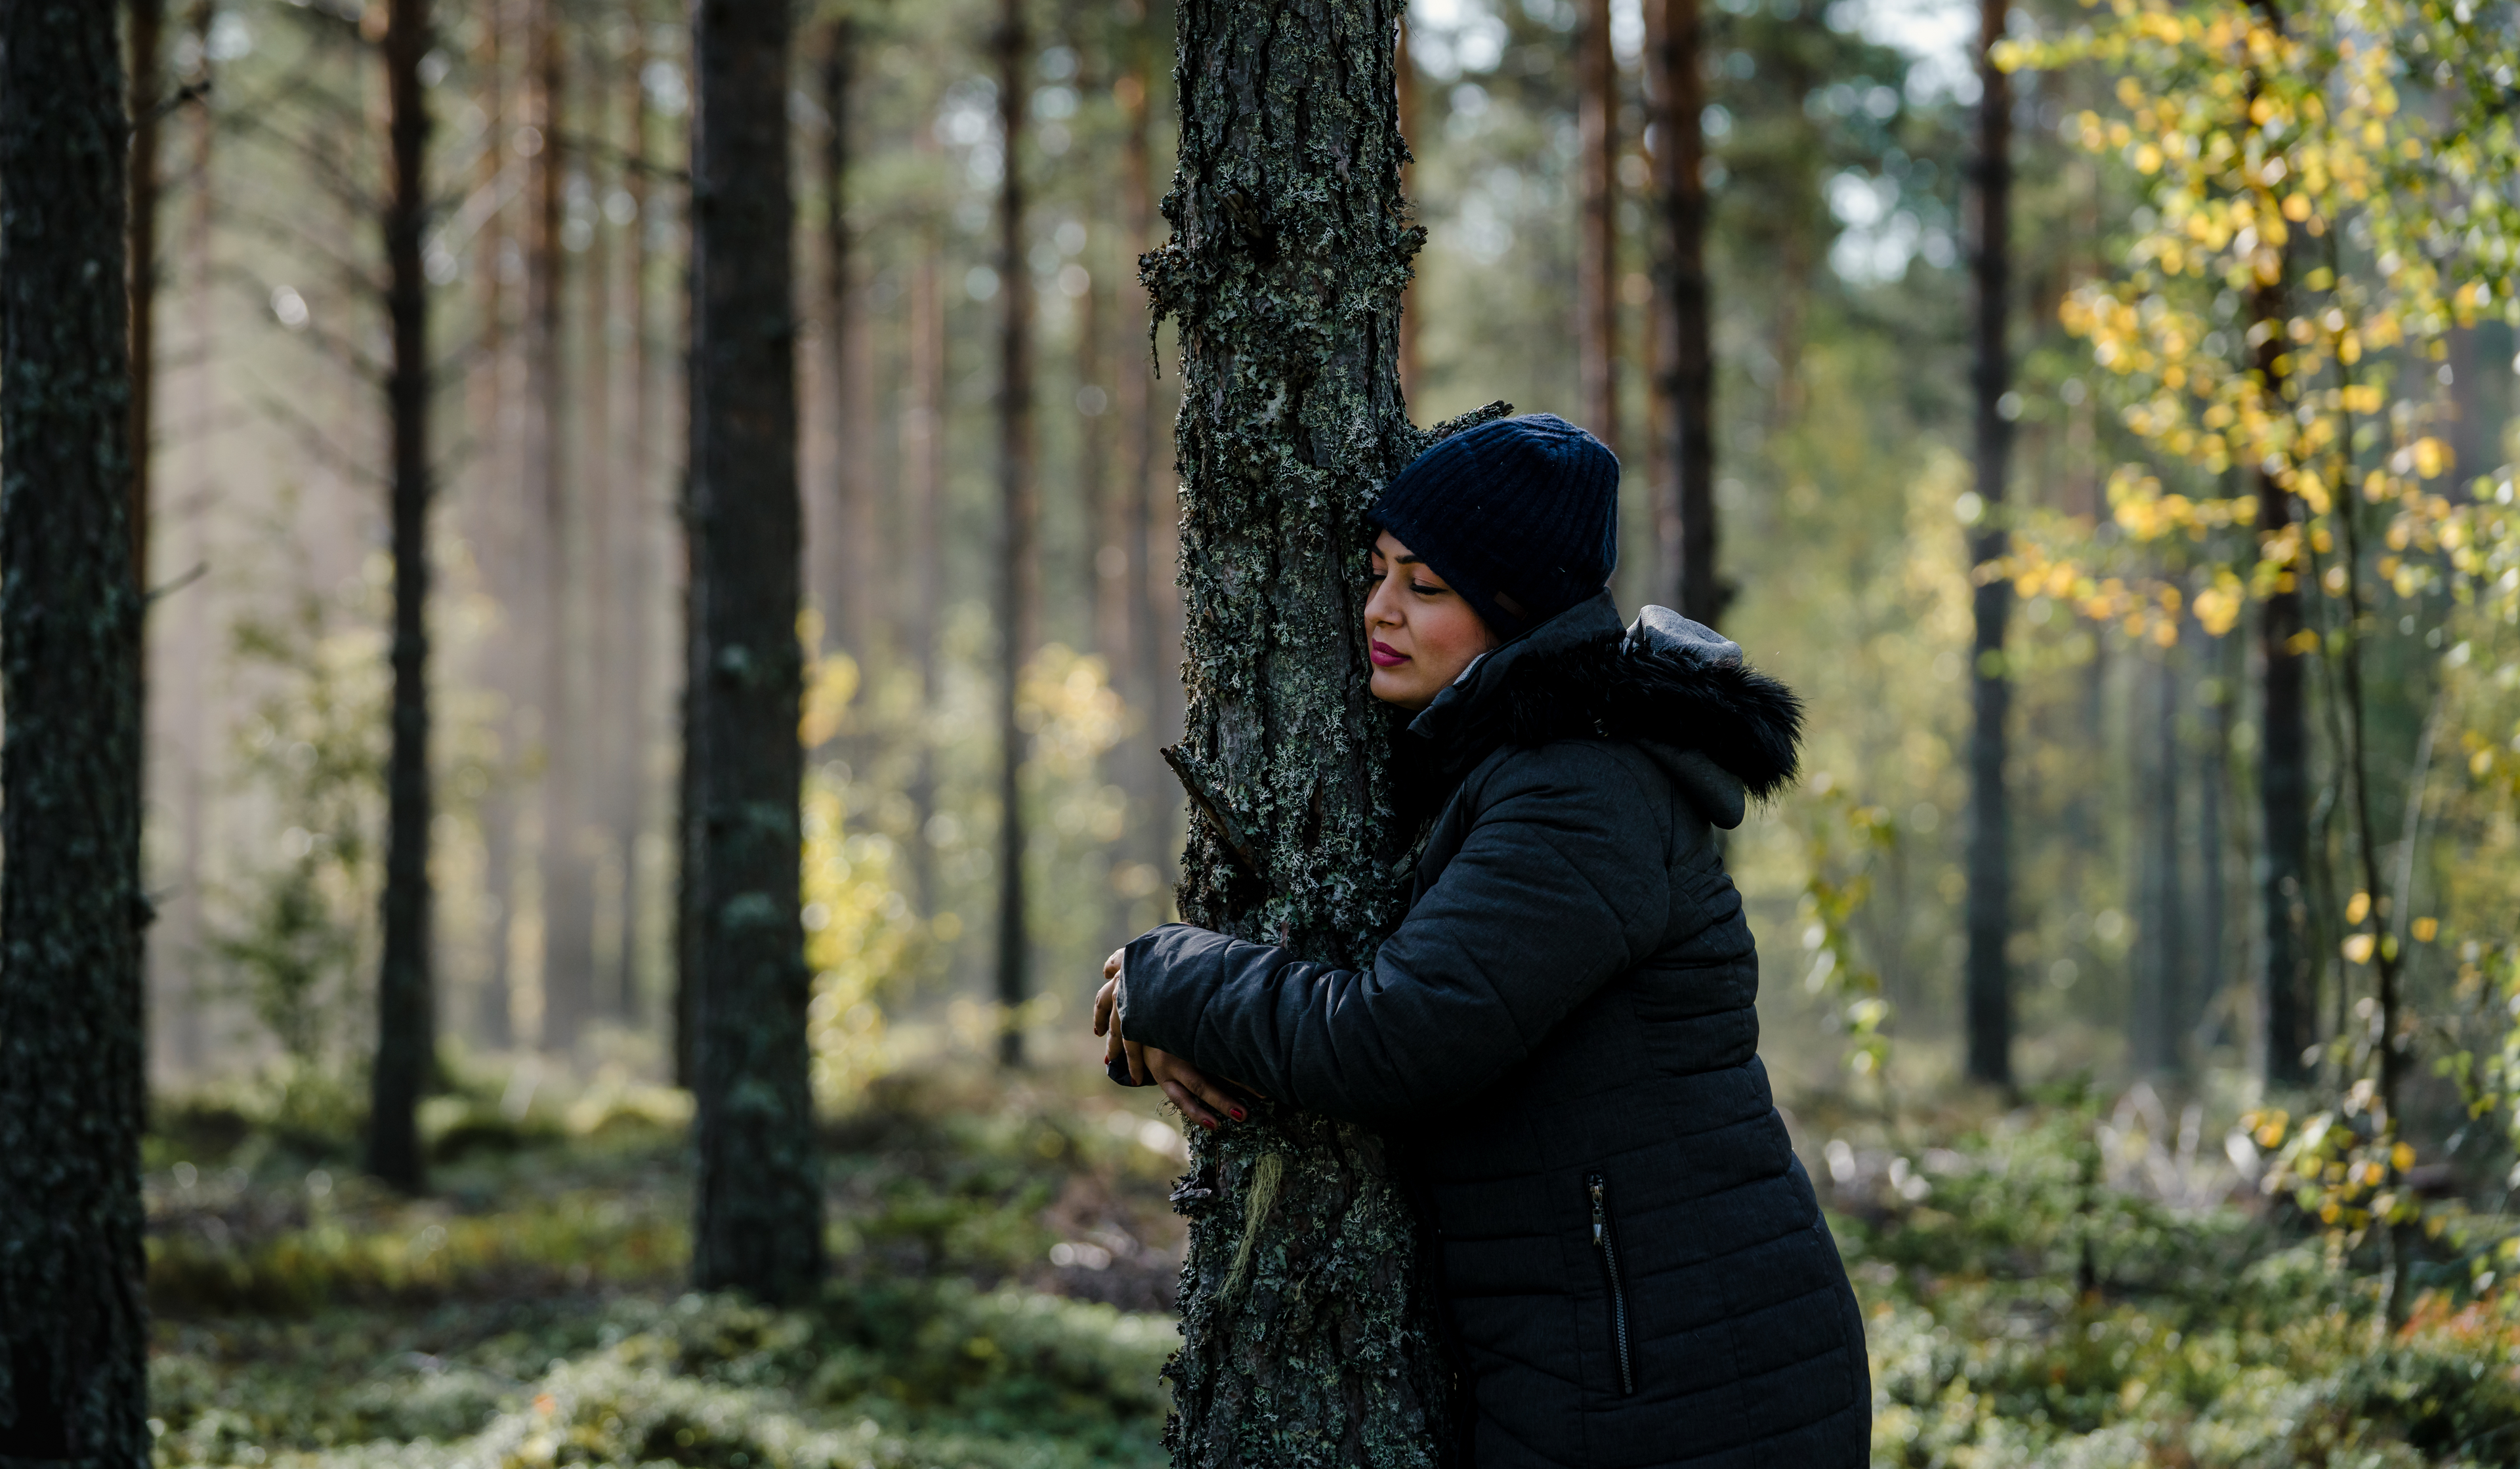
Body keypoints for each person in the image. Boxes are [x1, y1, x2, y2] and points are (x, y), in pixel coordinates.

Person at [1091, 413, 1872, 1468]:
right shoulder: (1515, 767)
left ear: (1515, 609)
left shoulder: (1581, 791)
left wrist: (1175, 976)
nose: (1377, 609)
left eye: (1427, 585)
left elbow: (1399, 1034)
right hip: (1628, 1363)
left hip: (1689, 1390)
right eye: (1377, 572)